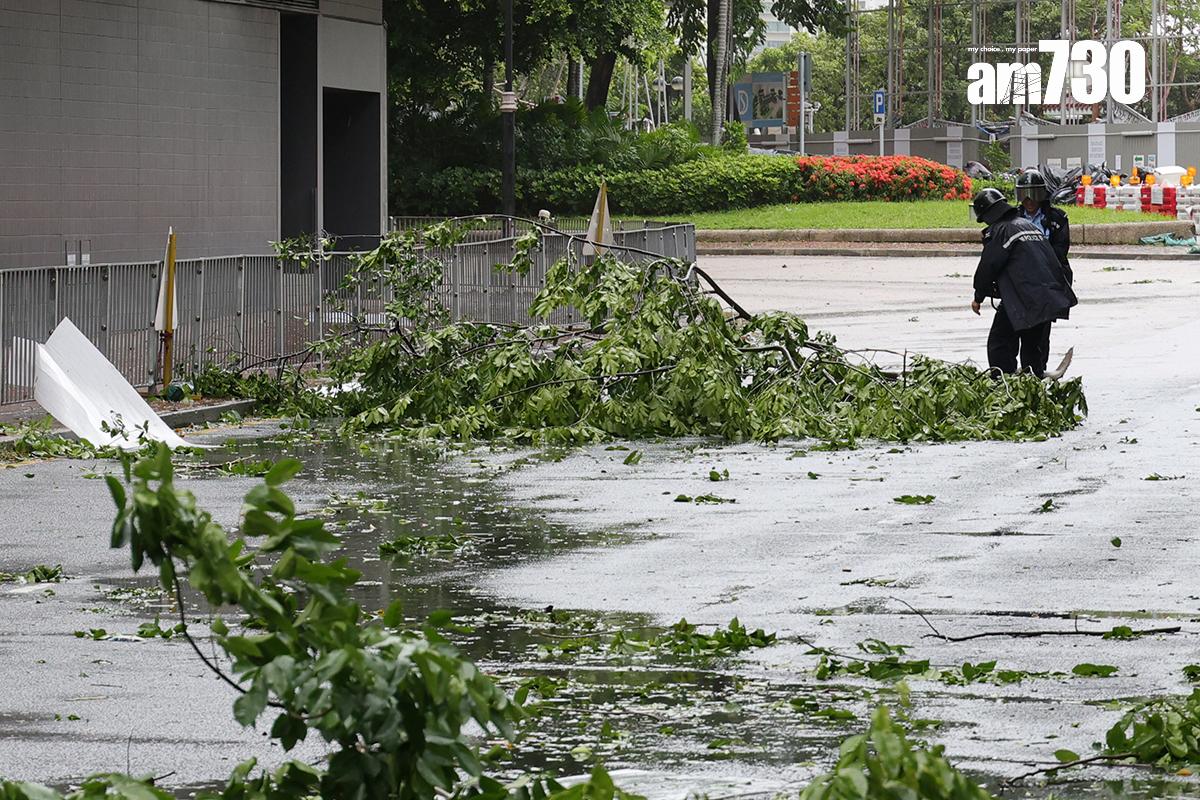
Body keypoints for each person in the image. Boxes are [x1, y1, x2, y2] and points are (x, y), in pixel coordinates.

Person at [970, 187, 1077, 377]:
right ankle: (1033, 381)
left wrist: (979, 296)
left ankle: (1002, 379)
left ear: (988, 214)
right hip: (1048, 294)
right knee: (1032, 344)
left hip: (1024, 296)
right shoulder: (1027, 226)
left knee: (1000, 342)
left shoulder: (1001, 230)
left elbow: (989, 265)